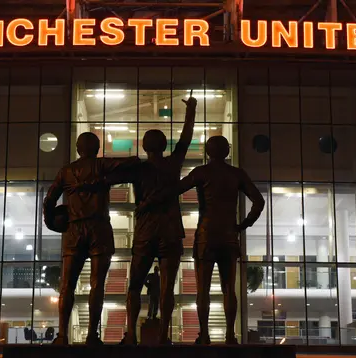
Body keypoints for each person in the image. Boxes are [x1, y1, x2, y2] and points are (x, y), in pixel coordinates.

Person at [77, 94, 197, 345]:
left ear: (144, 146)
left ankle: (131, 334)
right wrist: (191, 112)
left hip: (144, 231)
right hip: (170, 231)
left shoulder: (138, 169)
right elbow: (185, 139)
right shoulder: (173, 164)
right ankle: (164, 336)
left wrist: (83, 182)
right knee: (167, 286)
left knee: (134, 285)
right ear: (165, 146)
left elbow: (105, 180)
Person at [136, 135, 265, 344]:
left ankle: (204, 335)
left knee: (202, 289)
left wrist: (147, 202)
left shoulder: (201, 172)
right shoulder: (237, 174)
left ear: (207, 152)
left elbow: (172, 191)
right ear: (227, 152)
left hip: (206, 234)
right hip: (229, 235)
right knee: (229, 289)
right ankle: (230, 335)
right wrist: (243, 225)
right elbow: (259, 201)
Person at [43, 132, 139, 345]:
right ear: (96, 149)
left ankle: (62, 335)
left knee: (67, 285)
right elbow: (126, 163)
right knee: (97, 285)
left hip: (75, 230)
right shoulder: (102, 165)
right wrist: (138, 159)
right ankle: (92, 336)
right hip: (99, 228)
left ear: (78, 149)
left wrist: (53, 223)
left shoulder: (66, 172)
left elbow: (48, 201)